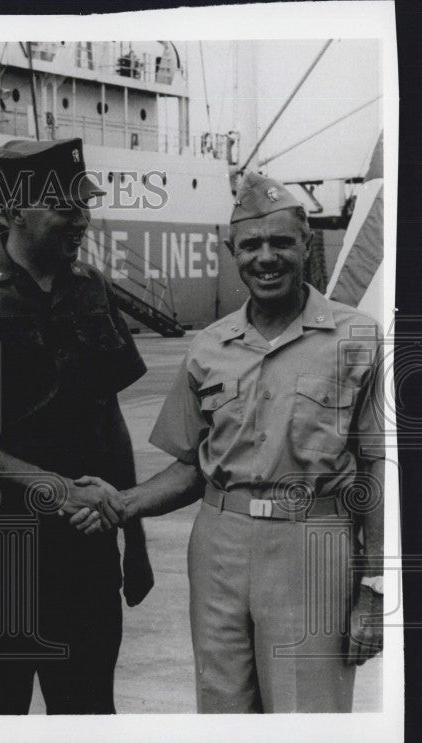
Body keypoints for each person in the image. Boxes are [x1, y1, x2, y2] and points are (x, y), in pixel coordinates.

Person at [71, 172, 385, 713]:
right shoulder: (208, 347)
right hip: (218, 546)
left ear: (306, 245)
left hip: (313, 544)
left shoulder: (358, 338)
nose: (267, 258)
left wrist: (374, 588)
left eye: (282, 242)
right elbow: (193, 467)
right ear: (232, 253)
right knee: (222, 710)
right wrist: (121, 504)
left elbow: (380, 468)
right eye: (252, 245)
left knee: (306, 713)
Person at [0, 138, 154, 715]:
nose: (82, 220)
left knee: (89, 709)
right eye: (66, 207)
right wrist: (47, 483)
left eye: (84, 205)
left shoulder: (91, 290)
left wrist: (133, 534)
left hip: (86, 551)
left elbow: (108, 418)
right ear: (17, 208)